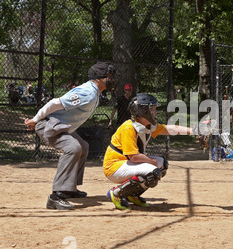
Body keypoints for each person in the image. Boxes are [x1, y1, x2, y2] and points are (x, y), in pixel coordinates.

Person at [24, 62, 118, 210]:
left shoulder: (94, 92)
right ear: (99, 78)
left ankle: (69, 188)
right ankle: (56, 196)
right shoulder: (88, 92)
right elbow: (54, 103)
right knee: (73, 147)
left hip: (60, 126)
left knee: (83, 147)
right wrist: (35, 120)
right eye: (109, 76)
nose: (112, 80)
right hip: (48, 125)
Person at [103, 93, 194, 210]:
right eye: (152, 109)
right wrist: (151, 161)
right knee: (153, 172)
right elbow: (134, 157)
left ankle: (132, 195)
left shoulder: (147, 125)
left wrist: (194, 130)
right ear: (143, 111)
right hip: (114, 167)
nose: (155, 112)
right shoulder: (129, 127)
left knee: (162, 164)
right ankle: (116, 193)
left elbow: (169, 129)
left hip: (126, 164)